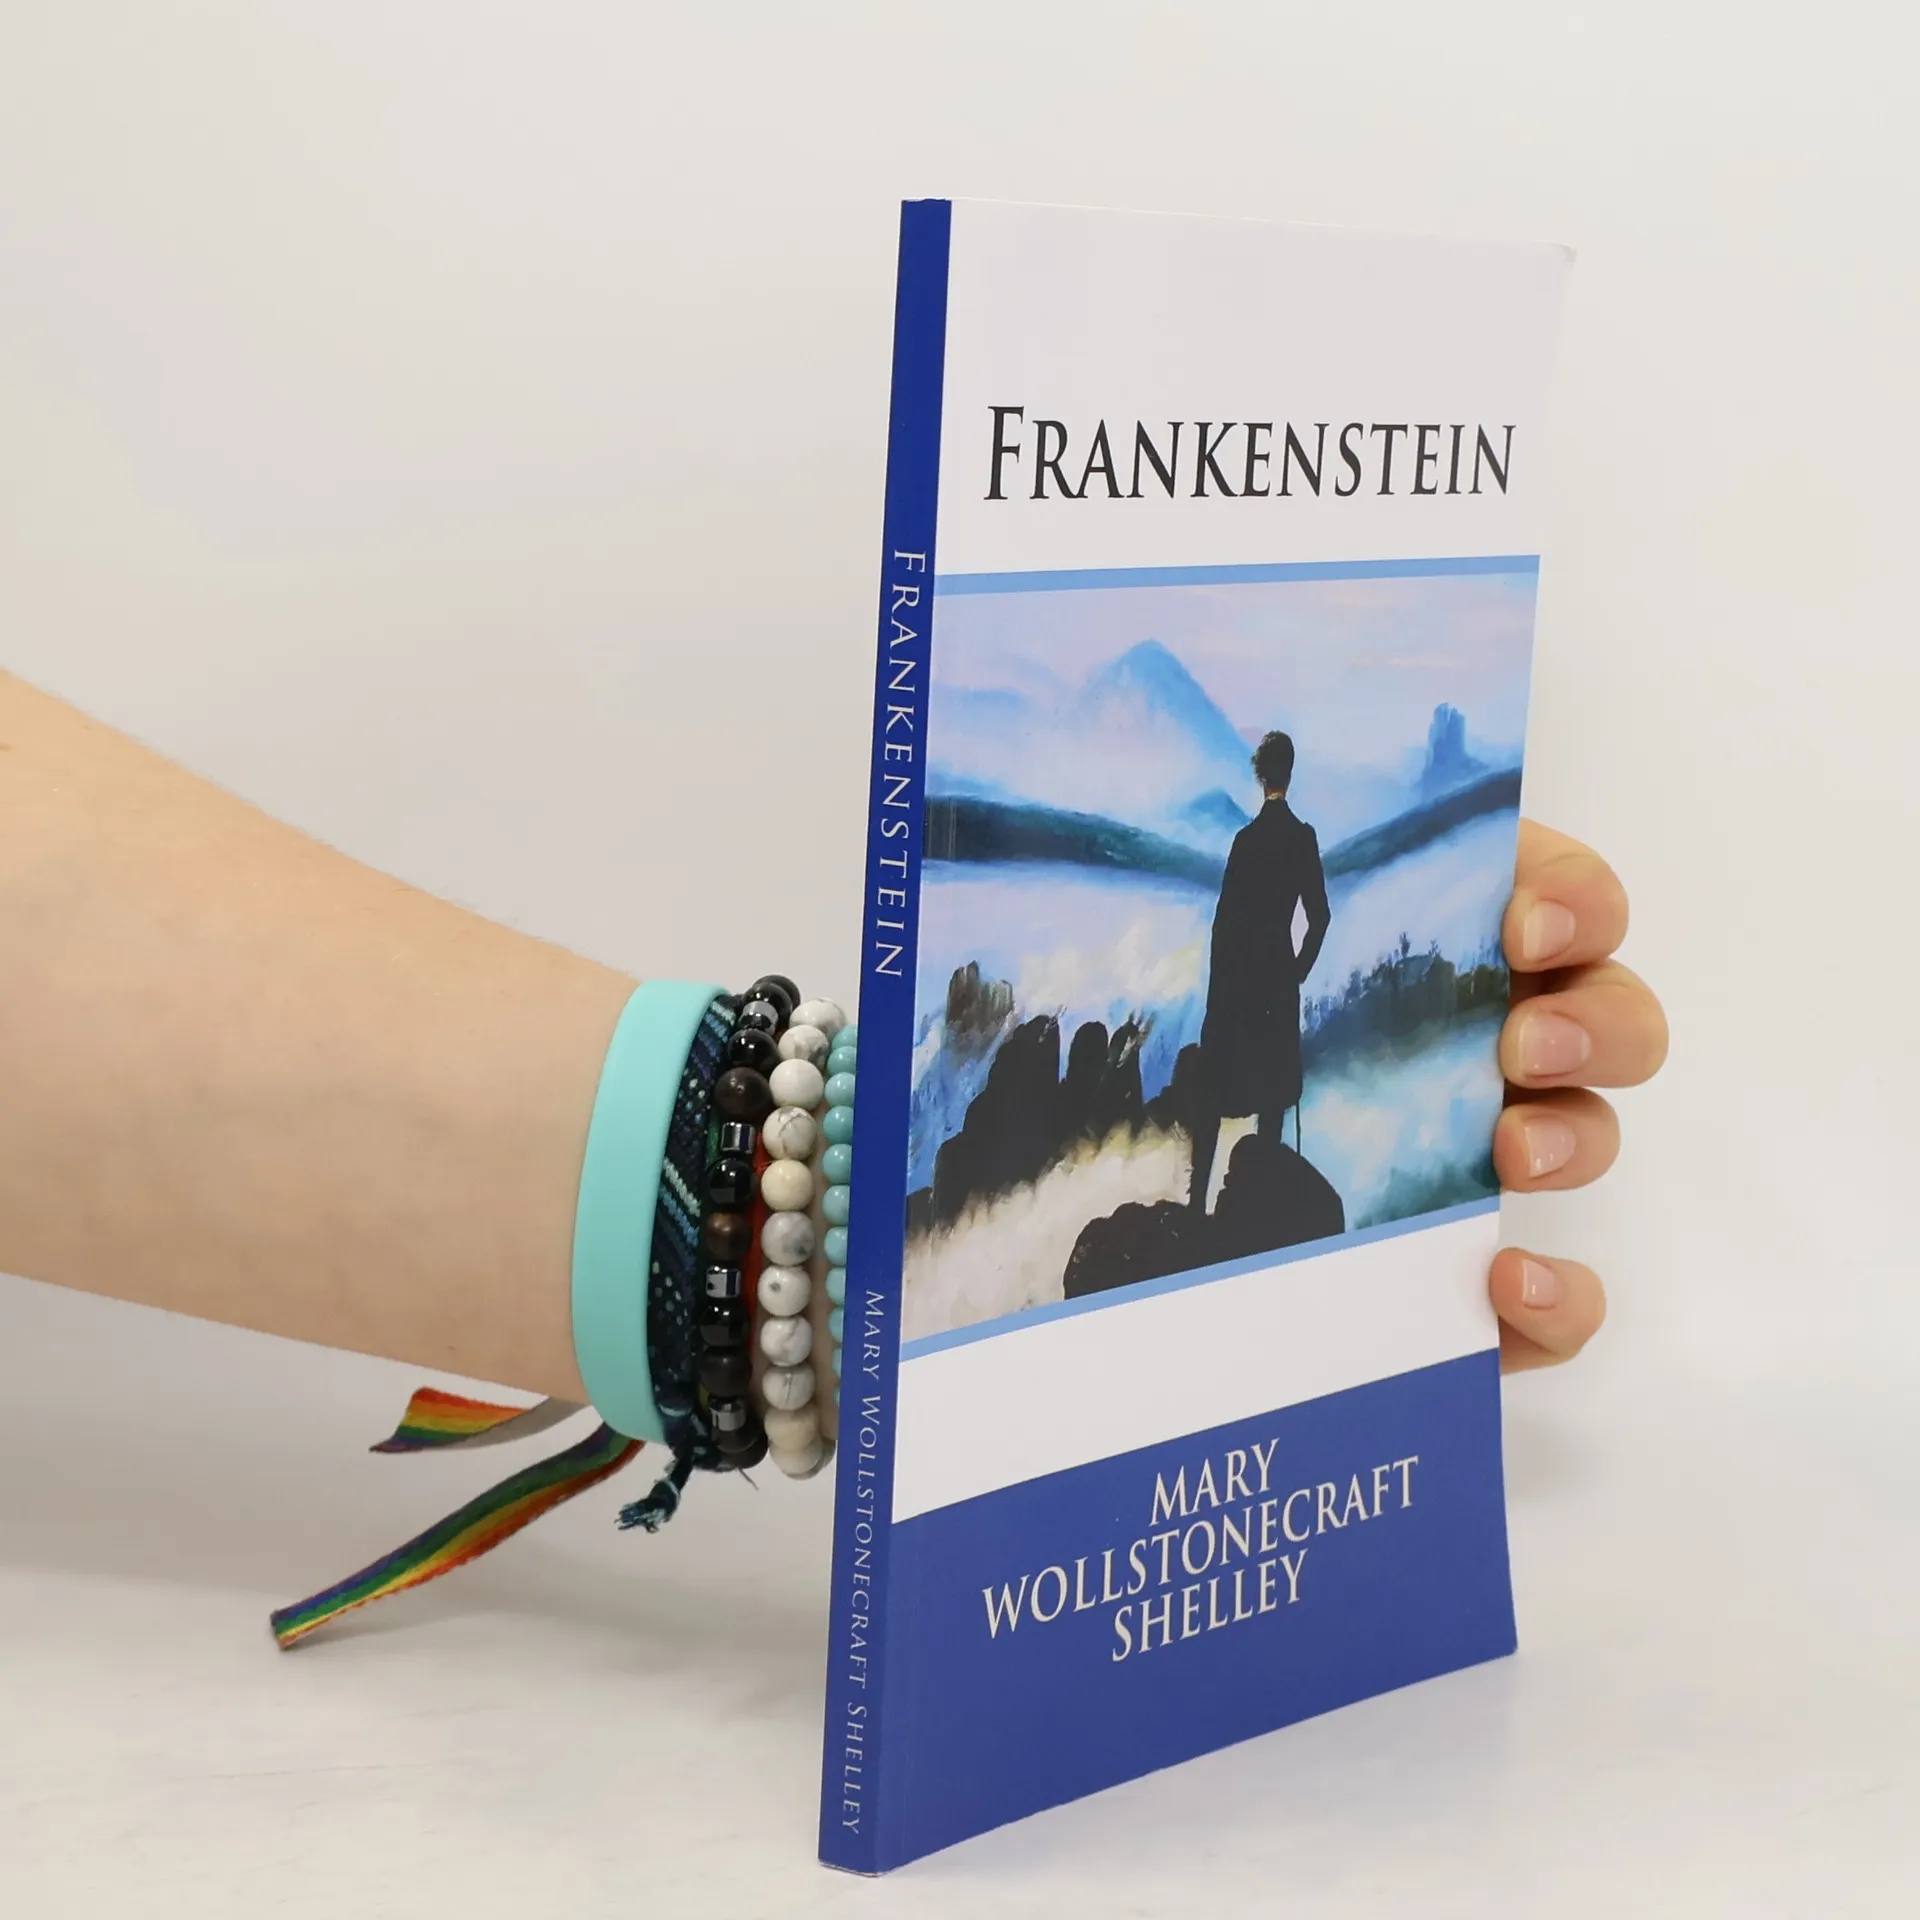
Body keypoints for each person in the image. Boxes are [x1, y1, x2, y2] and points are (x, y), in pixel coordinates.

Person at [0, 669, 1667, 1379]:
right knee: (1251, 1107)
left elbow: (1292, 924)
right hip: (1247, 1004)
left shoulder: (1263, 844)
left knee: (1254, 1108)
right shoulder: (1261, 847)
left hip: (1247, 1005)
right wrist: (832, 1246)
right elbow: (1288, 926)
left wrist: (839, 1229)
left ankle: (1242, 1192)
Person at [1190, 729, 1331, 1212]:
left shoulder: (1245, 841)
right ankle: (1262, 1204)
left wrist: (1218, 996)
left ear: (1260, 776)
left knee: (1216, 1087)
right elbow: (1320, 918)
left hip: (1238, 980)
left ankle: (1196, 1205)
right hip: (1278, 980)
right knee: (1273, 1094)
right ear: (1289, 773)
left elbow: (1223, 924)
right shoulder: (1303, 838)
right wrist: (1297, 971)